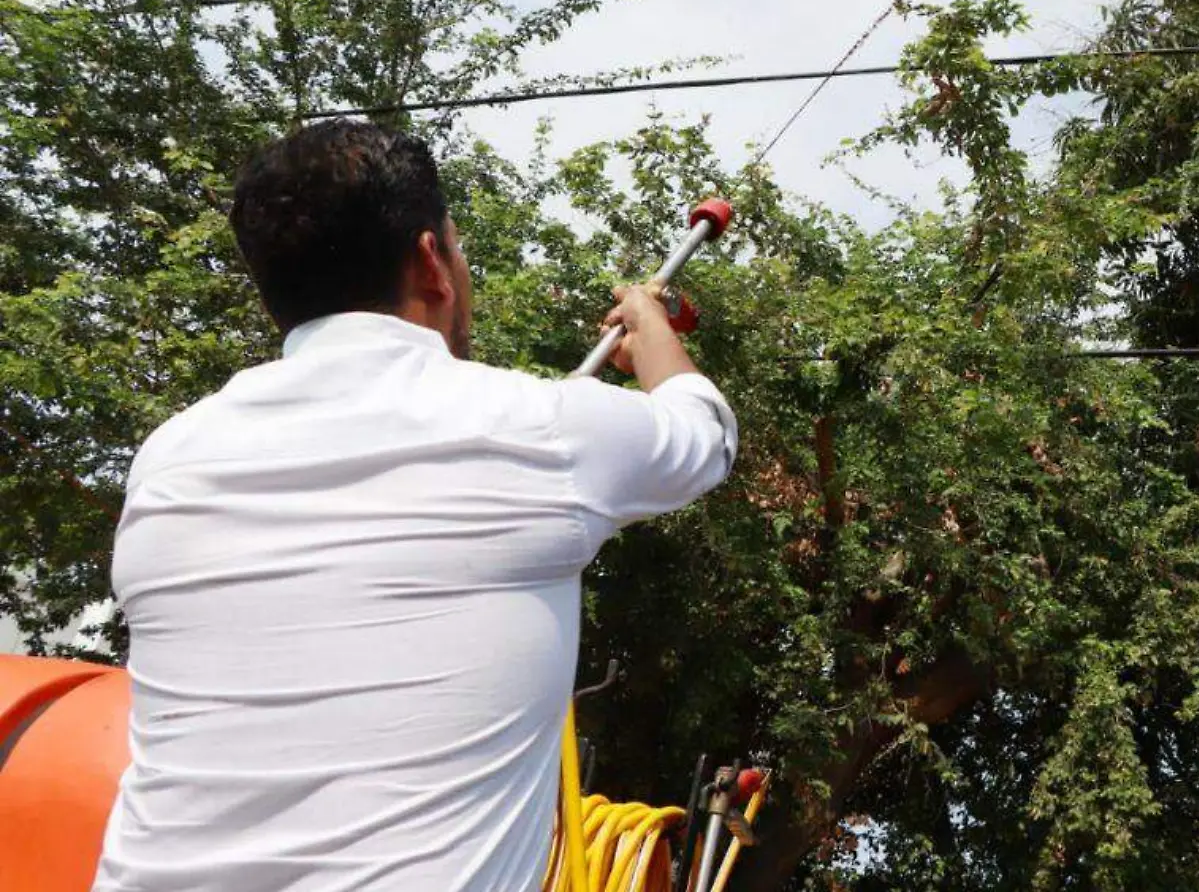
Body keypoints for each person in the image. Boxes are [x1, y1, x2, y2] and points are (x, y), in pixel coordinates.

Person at [91, 119, 736, 891]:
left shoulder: (170, 458)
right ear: (432, 263)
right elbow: (703, 434)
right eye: (458, 249)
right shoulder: (541, 431)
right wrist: (652, 330)